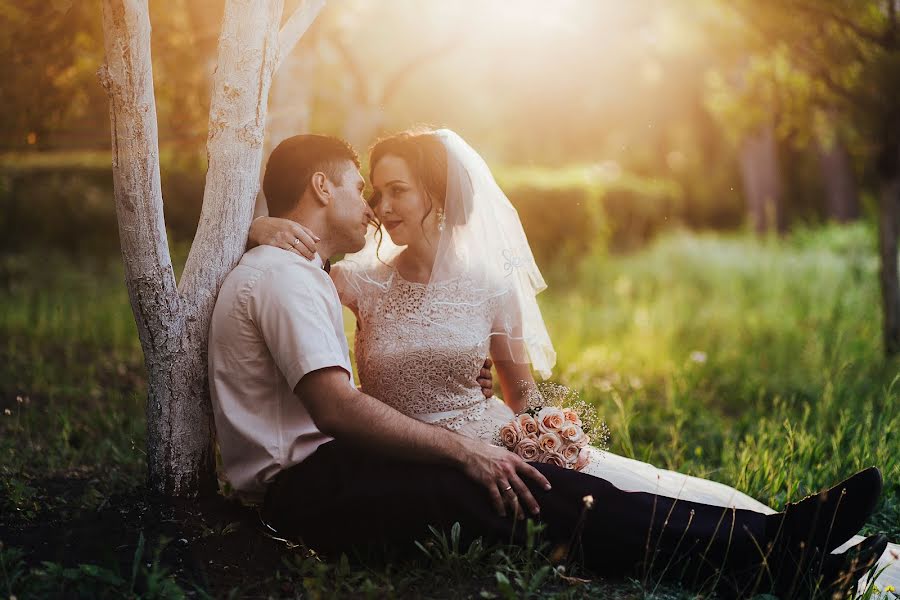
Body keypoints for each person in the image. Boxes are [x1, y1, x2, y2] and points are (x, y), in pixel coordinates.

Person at [213, 133, 887, 598]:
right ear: (321, 186)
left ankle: (774, 552)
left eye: (391, 191)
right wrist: (461, 453)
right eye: (364, 189)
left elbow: (515, 388)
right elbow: (335, 405)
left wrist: (258, 226)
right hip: (308, 485)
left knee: (550, 493)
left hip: (338, 468)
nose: (372, 206)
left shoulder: (300, 268)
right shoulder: (290, 277)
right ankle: (779, 547)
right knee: (527, 497)